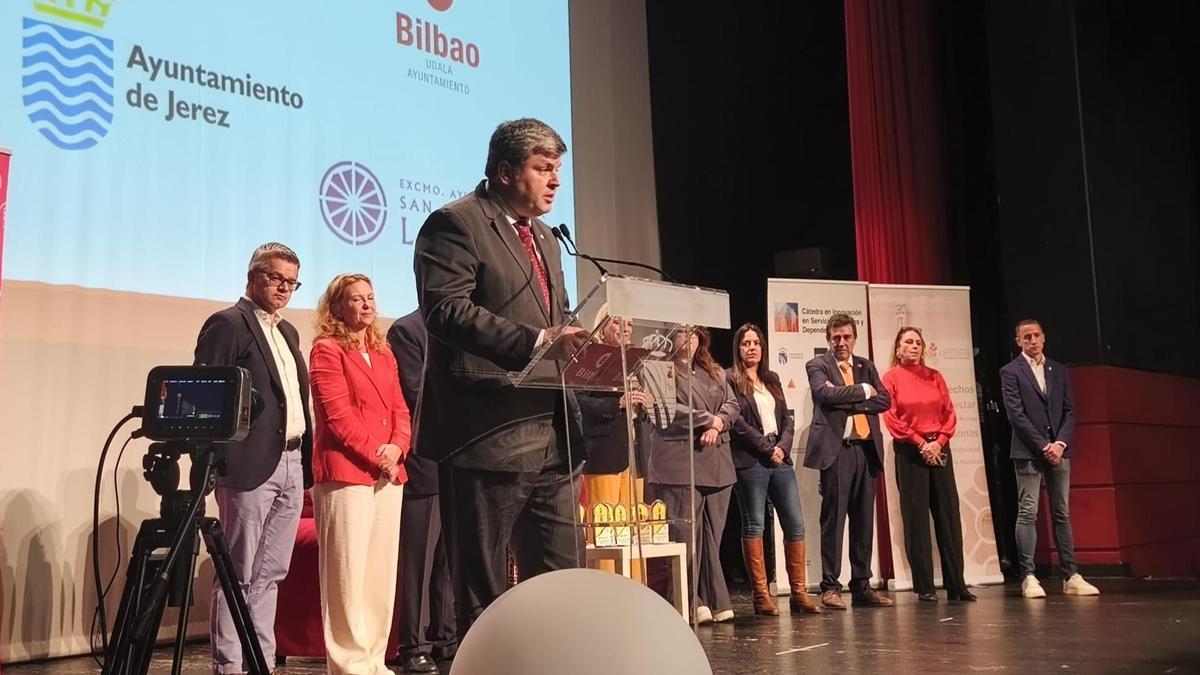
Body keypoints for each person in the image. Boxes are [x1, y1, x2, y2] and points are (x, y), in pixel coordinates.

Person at [413, 117, 590, 638]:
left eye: (558, 169)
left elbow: (554, 315)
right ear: (506, 171)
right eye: (543, 169)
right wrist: (537, 342)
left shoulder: (546, 238)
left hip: (551, 435)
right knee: (484, 592)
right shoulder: (455, 223)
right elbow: (445, 311)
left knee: (559, 585)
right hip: (485, 434)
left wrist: (591, 334)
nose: (556, 180)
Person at [193, 242, 312, 673]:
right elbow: (206, 397)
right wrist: (213, 464)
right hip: (248, 467)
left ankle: (259, 663)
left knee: (271, 575)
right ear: (253, 276)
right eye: (276, 278)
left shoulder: (288, 332)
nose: (284, 288)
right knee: (236, 575)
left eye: (292, 282)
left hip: (291, 463)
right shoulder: (228, 324)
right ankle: (229, 667)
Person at [308, 273, 411, 674]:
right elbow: (337, 417)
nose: (367, 305)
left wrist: (398, 448)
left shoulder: (383, 350)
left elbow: (401, 409)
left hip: (388, 474)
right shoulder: (326, 350)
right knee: (346, 575)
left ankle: (374, 661)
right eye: (356, 299)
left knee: (379, 574)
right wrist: (377, 453)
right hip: (345, 473)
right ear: (337, 307)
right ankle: (349, 665)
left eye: (370, 298)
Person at [1000, 319, 1100, 598]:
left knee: (1062, 512)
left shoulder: (1059, 370)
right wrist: (1044, 445)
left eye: (1036, 335)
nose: (1033, 340)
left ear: (1044, 338)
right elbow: (1015, 415)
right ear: (1018, 341)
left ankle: (1072, 574)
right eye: (1026, 337)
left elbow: (1070, 410)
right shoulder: (1010, 372)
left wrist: (1060, 443)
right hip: (1028, 451)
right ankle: (1029, 576)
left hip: (1059, 449)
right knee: (1028, 511)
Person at [645, 327, 739, 624]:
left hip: (717, 462)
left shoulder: (714, 371)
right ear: (671, 336)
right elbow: (665, 410)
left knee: (712, 535)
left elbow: (733, 404)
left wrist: (718, 424)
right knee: (687, 537)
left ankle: (714, 599)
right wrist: (706, 419)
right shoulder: (660, 369)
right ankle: (688, 600)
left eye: (694, 333)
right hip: (679, 461)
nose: (689, 338)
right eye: (683, 332)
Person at [727, 323, 821, 616]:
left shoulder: (773, 378)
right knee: (755, 524)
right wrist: (768, 449)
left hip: (780, 459)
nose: (752, 348)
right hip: (751, 461)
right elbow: (738, 423)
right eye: (746, 344)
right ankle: (761, 594)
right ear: (738, 348)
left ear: (762, 347)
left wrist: (782, 446)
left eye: (756, 343)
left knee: (795, 525)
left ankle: (799, 594)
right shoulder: (730, 379)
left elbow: (788, 419)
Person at [803, 313, 894, 610]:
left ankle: (862, 585)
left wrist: (849, 397)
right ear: (828, 339)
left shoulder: (865, 365)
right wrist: (862, 392)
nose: (841, 342)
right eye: (836, 337)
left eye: (846, 337)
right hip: (837, 450)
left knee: (864, 521)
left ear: (854, 338)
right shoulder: (818, 365)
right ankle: (830, 587)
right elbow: (823, 394)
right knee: (834, 520)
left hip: (865, 450)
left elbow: (884, 401)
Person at [881, 327, 976, 602]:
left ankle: (957, 584)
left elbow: (949, 412)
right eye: (908, 342)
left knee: (948, 515)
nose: (914, 346)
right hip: (911, 452)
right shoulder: (891, 378)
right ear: (898, 349)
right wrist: (921, 443)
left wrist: (939, 441)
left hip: (940, 449)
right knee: (916, 518)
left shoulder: (935, 376)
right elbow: (892, 417)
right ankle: (924, 586)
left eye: (918, 343)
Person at [387, 310, 457, 674]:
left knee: (448, 560)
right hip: (424, 461)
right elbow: (416, 392)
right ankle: (412, 644)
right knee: (420, 560)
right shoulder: (407, 330)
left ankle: (446, 637)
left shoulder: (462, 333)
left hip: (458, 460)